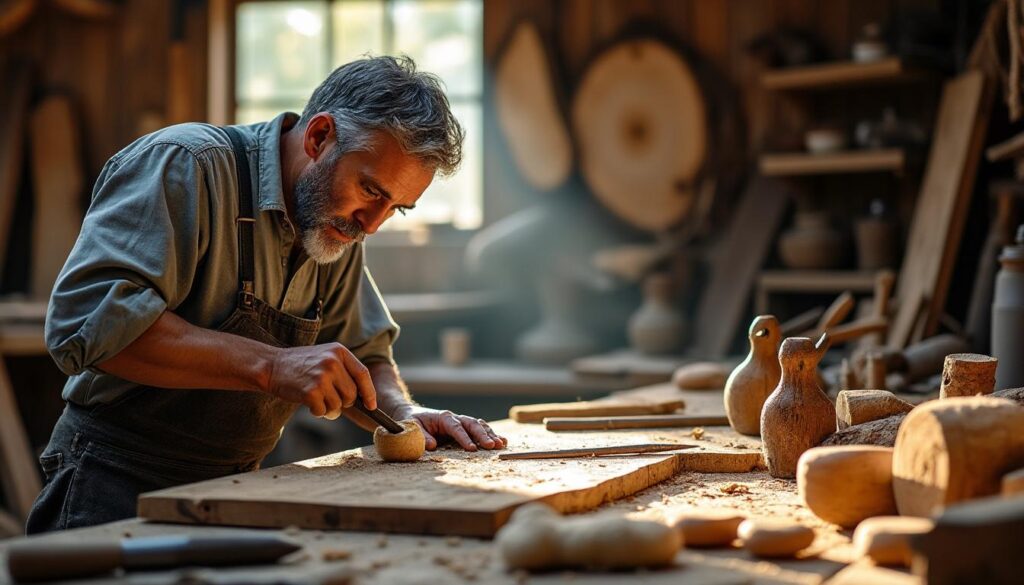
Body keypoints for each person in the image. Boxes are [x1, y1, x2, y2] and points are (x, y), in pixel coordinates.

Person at [27, 56, 506, 534]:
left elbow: (364, 356)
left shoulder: (335, 227)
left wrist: (404, 413)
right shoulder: (186, 166)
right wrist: (272, 366)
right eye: (369, 189)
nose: (373, 224)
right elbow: (89, 325)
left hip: (237, 489)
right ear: (320, 137)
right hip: (115, 480)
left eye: (396, 208)